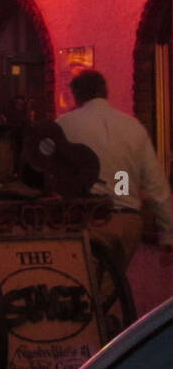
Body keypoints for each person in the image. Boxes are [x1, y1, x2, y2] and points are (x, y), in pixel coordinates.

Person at [56, 69, 173, 269]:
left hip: (87, 220)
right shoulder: (133, 126)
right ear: (105, 92)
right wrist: (168, 235)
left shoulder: (64, 125)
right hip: (128, 221)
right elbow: (156, 186)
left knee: (87, 282)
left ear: (76, 95)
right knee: (112, 283)